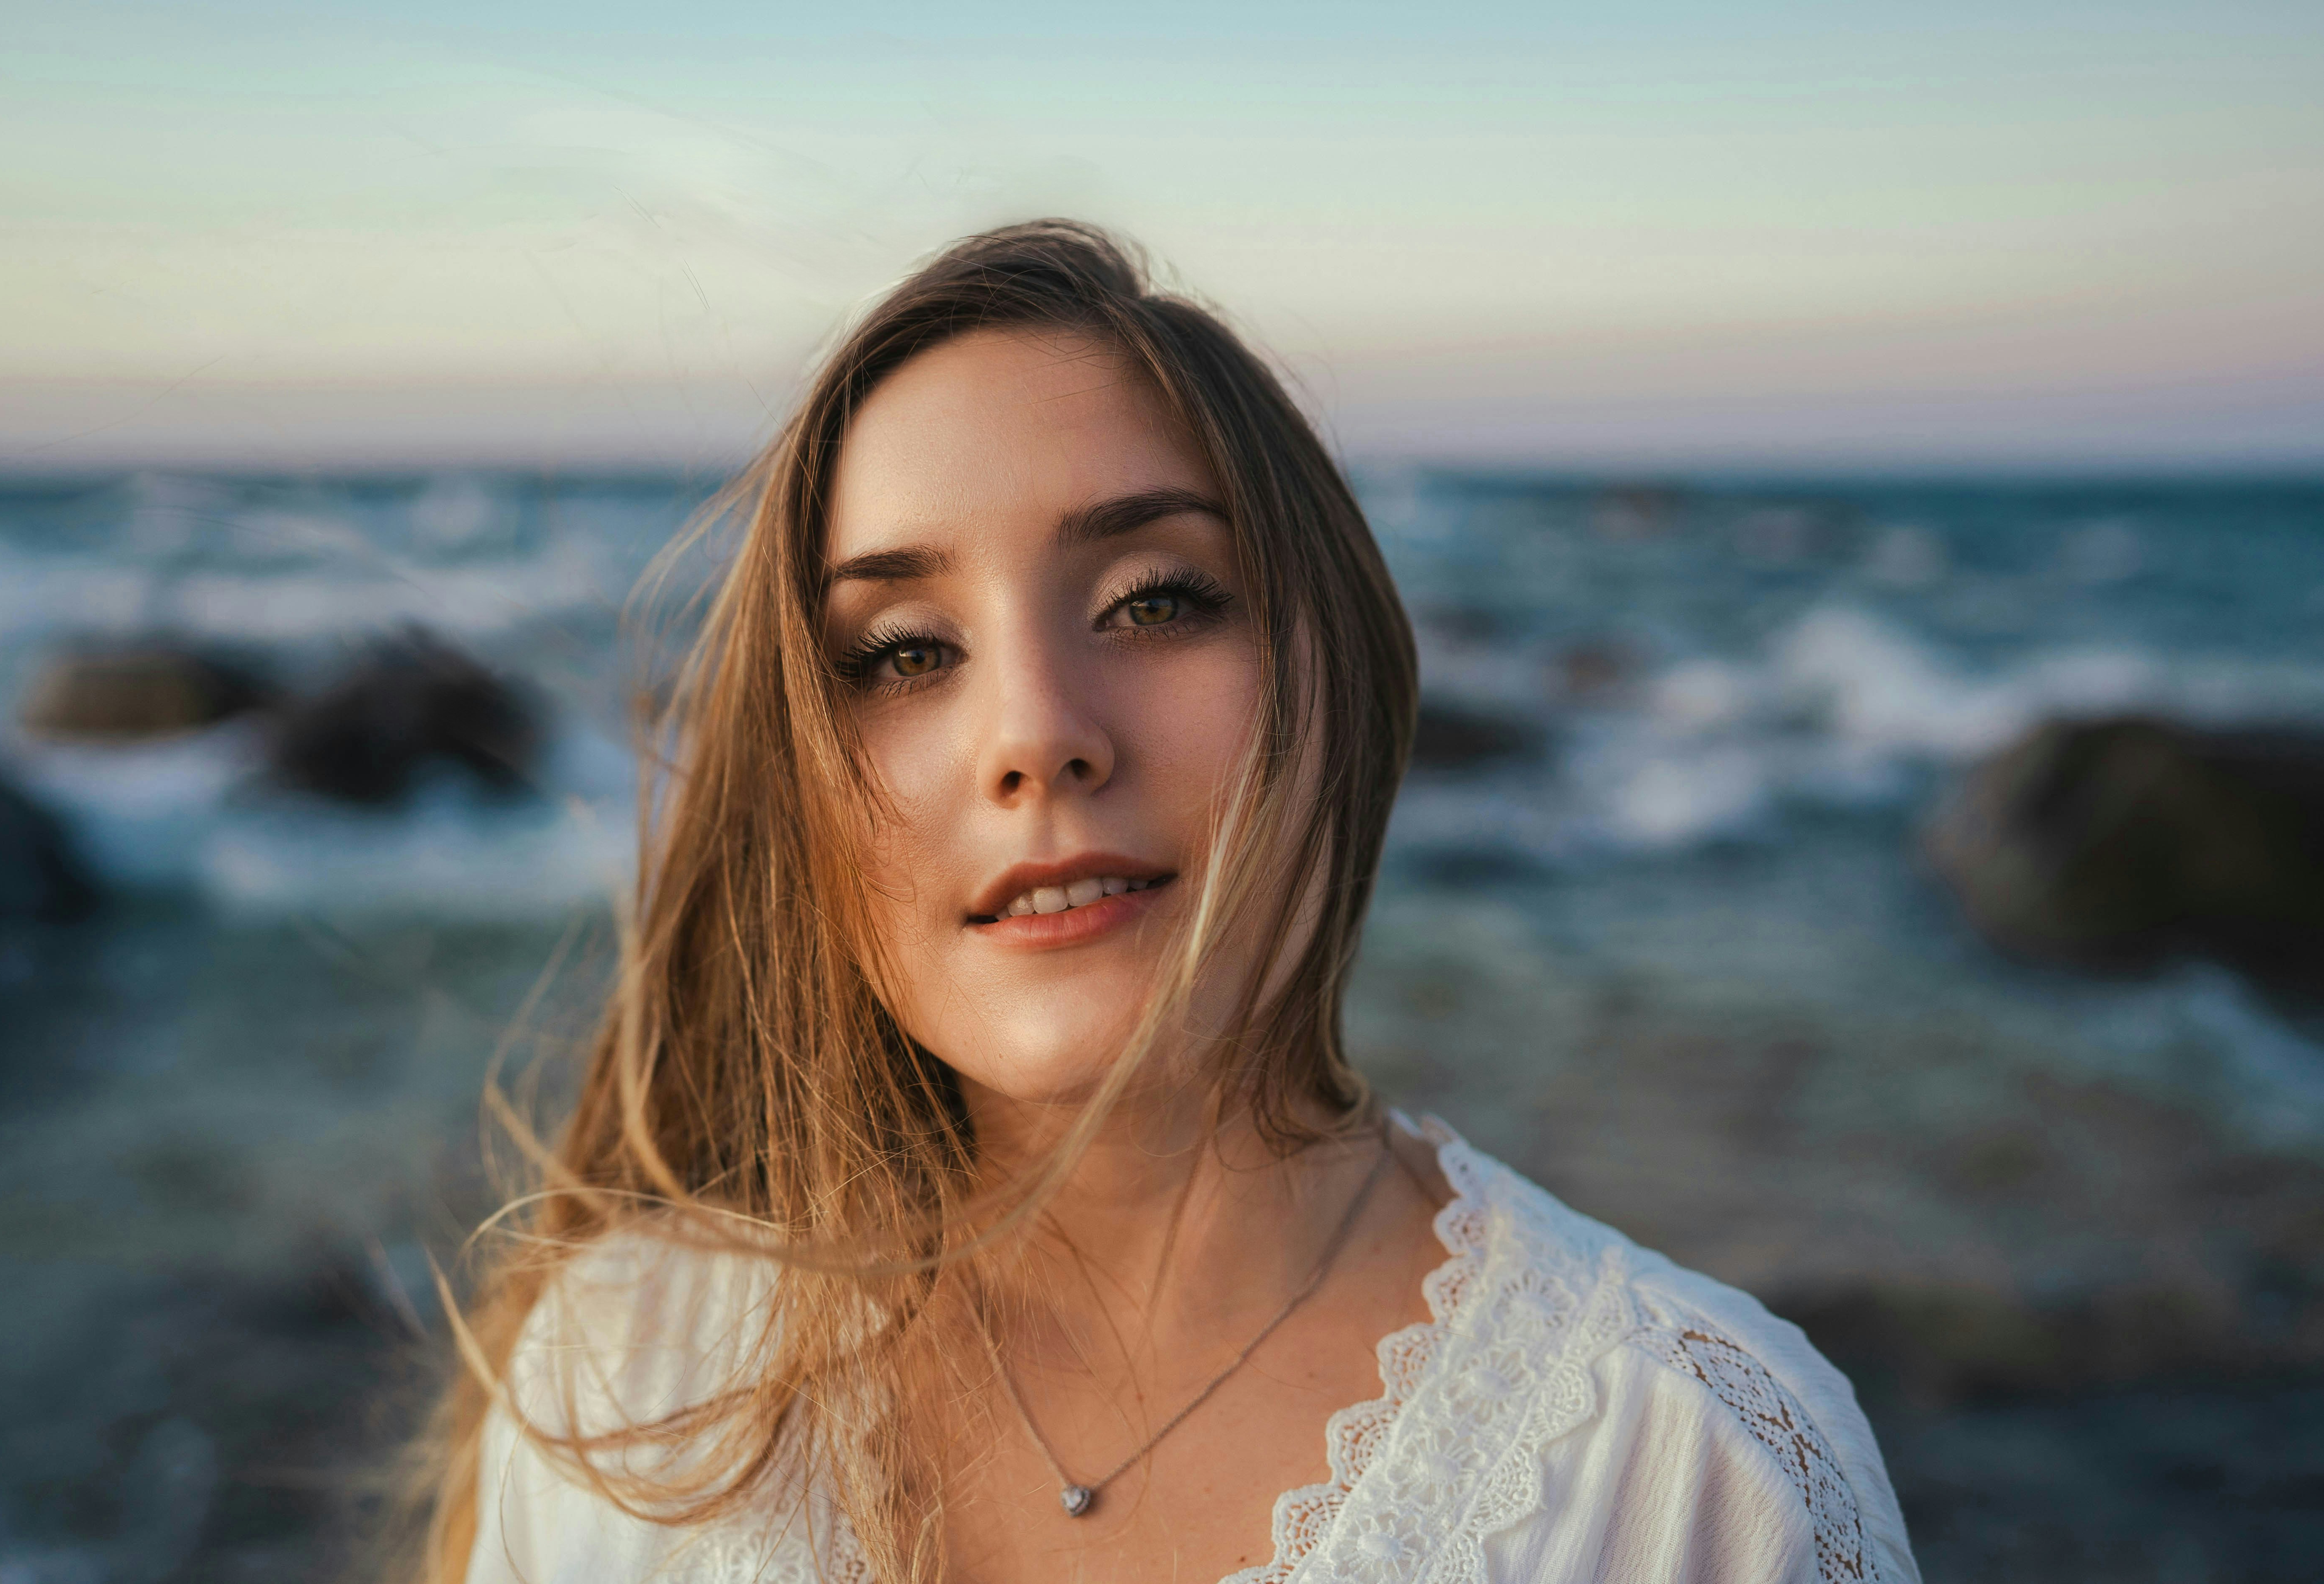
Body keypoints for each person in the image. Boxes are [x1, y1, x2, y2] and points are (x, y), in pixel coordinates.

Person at [418, 221, 1918, 1584]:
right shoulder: (624, 1391)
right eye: (899, 653)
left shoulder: (1697, 1473)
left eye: (1153, 601)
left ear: (1339, 673)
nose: (1033, 732)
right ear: (796, 789)